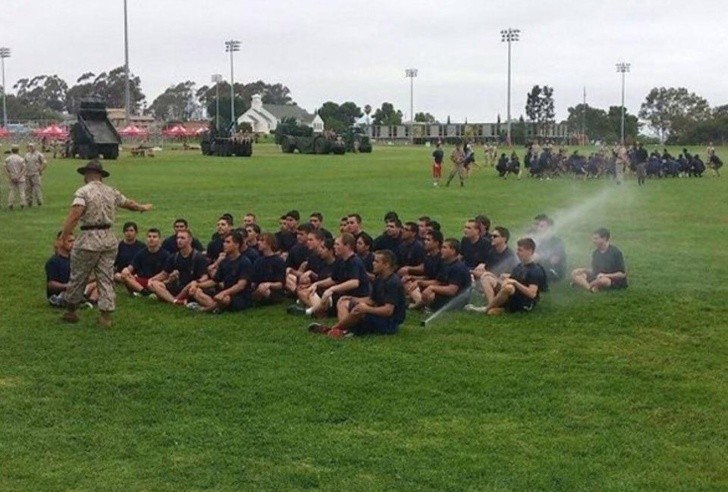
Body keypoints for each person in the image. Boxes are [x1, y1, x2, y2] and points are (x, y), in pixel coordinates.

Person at [56, 160, 152, 327]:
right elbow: (128, 203)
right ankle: (105, 316)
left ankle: (71, 311)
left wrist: (64, 235)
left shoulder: (83, 192)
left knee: (79, 276)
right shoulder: (111, 191)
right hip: (108, 238)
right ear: (101, 175)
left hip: (88, 238)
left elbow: (75, 214)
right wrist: (142, 207)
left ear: (86, 175)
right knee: (106, 277)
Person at [308, 249, 406, 339]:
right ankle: (344, 330)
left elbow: (388, 311)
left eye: (376, 261)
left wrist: (367, 309)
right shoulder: (379, 279)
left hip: (390, 323)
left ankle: (333, 329)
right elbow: (372, 300)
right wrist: (351, 299)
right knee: (347, 303)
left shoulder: (393, 283)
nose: (373, 263)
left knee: (360, 312)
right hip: (379, 316)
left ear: (386, 265)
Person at [187, 231, 253, 313]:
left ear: (237, 245)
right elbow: (214, 281)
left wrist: (224, 293)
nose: (224, 244)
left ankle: (205, 309)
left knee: (224, 299)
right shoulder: (224, 261)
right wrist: (197, 285)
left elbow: (240, 286)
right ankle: (216, 308)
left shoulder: (244, 262)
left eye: (228, 242)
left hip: (239, 296)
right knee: (197, 292)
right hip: (224, 292)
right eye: (224, 242)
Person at [148, 229, 209, 305]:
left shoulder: (198, 257)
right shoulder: (174, 256)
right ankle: (175, 301)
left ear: (190, 240)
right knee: (155, 284)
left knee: (195, 291)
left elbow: (205, 277)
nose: (179, 240)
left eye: (182, 238)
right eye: (178, 238)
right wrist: (151, 280)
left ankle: (170, 298)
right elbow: (164, 274)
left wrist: (196, 282)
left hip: (191, 288)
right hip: (178, 286)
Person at [414, 238, 471, 312]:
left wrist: (432, 288)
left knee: (430, 294)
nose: (441, 250)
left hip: (456, 300)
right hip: (446, 295)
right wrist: (419, 282)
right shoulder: (445, 264)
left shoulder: (458, 268)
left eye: (444, 247)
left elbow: (452, 290)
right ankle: (419, 305)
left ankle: (419, 306)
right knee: (420, 288)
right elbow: (438, 281)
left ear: (453, 251)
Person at [570, 227, 627, 292]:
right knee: (575, 273)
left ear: (604, 238)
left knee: (604, 281)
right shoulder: (596, 253)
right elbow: (594, 270)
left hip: (611, 279)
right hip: (597, 277)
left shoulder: (616, 253)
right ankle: (590, 288)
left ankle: (585, 285)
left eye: (596, 238)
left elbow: (622, 274)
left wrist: (605, 275)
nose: (593, 241)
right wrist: (583, 270)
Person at [117, 228, 169, 296]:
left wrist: (153, 280)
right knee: (120, 276)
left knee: (159, 284)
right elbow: (131, 266)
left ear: (159, 239)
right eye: (149, 236)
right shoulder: (141, 253)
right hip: (142, 280)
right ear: (146, 239)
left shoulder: (165, 254)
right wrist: (126, 270)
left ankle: (140, 291)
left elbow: (165, 273)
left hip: (156, 281)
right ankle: (144, 292)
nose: (151, 239)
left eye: (154, 237)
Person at [250, 232, 287, 304]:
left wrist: (269, 284)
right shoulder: (258, 261)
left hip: (273, 291)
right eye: (259, 240)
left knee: (263, 290)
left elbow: (281, 283)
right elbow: (254, 280)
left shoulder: (278, 261)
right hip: (259, 288)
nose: (259, 243)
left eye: (262, 240)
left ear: (270, 243)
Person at [531, 214, 567, 282]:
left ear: (550, 228)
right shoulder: (538, 241)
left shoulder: (557, 242)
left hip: (553, 271)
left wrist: (539, 258)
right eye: (538, 226)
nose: (538, 228)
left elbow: (554, 261)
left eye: (542, 226)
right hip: (540, 269)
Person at [24, 142, 47, 207]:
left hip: (35, 174)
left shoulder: (39, 154)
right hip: (27, 174)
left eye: (31, 146)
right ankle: (29, 202)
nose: (30, 148)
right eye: (29, 146)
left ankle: (39, 201)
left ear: (35, 147)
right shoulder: (27, 155)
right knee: (28, 189)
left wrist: (41, 169)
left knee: (37, 188)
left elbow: (44, 163)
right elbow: (25, 163)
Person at [4, 144, 26, 210]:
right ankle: (22, 204)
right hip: (20, 177)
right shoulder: (21, 159)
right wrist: (19, 176)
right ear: (18, 150)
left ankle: (10, 204)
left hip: (12, 177)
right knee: (22, 191)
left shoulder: (8, 159)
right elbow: (24, 168)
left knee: (12, 191)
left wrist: (9, 176)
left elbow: (4, 167)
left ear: (12, 150)